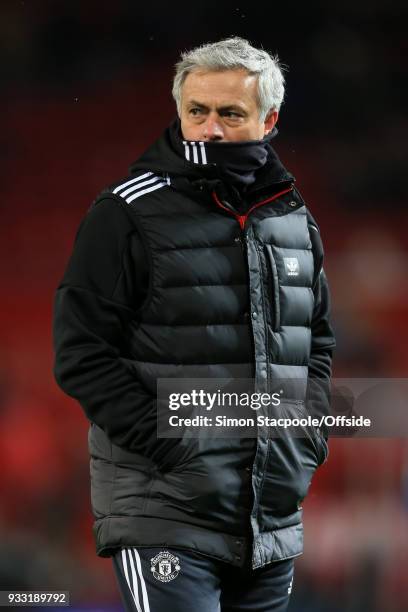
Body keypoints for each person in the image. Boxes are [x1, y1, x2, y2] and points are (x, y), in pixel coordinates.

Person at [53, 37, 336, 612]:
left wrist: (304, 440)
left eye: (229, 114)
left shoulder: (292, 219)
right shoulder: (125, 214)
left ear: (269, 119)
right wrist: (175, 445)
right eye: (196, 111)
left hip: (268, 515)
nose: (208, 129)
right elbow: (80, 353)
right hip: (166, 509)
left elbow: (317, 343)